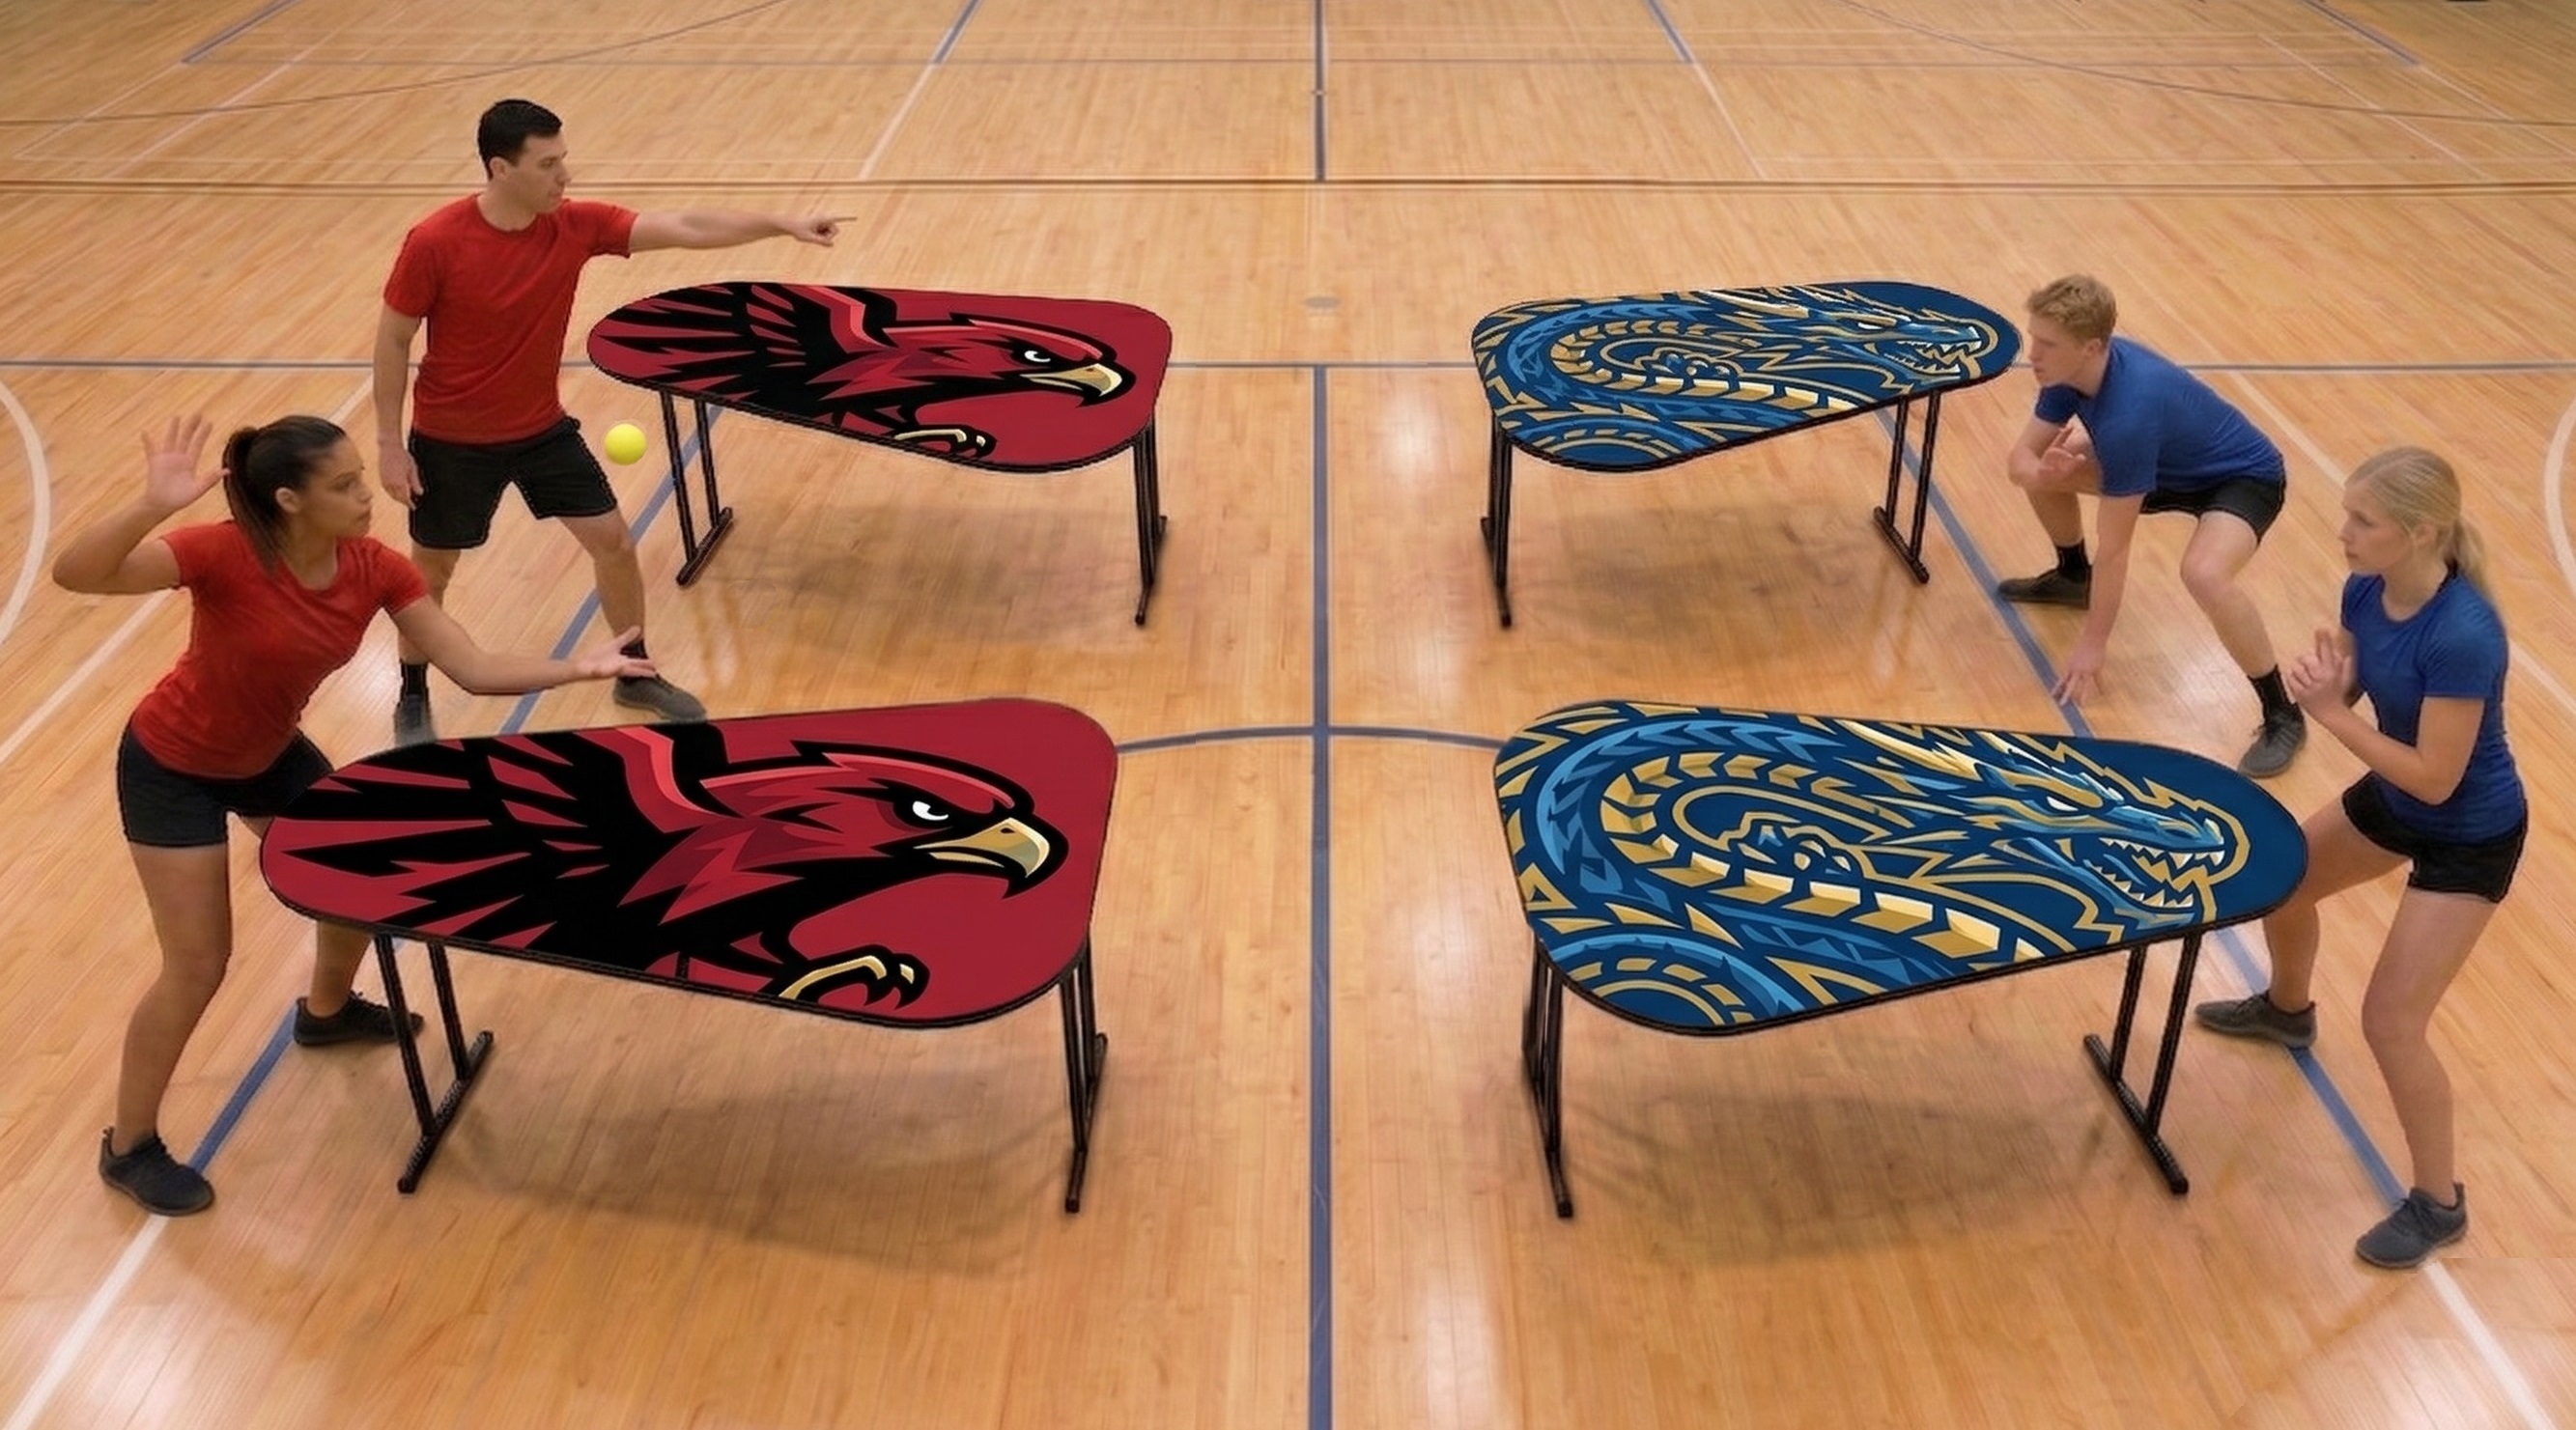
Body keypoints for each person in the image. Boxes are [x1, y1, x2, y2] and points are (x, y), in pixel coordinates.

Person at [53, 413, 653, 1216]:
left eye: (358, 480)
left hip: (269, 755)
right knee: (198, 964)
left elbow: (470, 666)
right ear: (289, 499)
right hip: (173, 766)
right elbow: (77, 574)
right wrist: (148, 505)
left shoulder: (372, 568)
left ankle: (325, 1013)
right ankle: (129, 1147)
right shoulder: (224, 553)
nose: (365, 497)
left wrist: (578, 665)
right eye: (343, 485)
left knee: (356, 880)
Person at [375, 97, 841, 745]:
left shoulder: (574, 224)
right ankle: (412, 690)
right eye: (547, 165)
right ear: (499, 169)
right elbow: (393, 339)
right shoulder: (434, 242)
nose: (565, 177)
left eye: (563, 160)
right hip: (452, 441)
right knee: (432, 573)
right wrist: (390, 445)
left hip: (540, 430)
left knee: (614, 544)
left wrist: (782, 223)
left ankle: (633, 670)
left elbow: (686, 224)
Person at [2193, 447, 2526, 1270]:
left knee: (2390, 1020)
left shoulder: (2465, 635)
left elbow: (2436, 775)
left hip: (2467, 831)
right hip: (2396, 793)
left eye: (2362, 521)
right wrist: (2330, 677)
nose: (2342, 532)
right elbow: (2348, 678)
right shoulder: (2364, 589)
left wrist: (2329, 714)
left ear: (2420, 532)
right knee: (2278, 883)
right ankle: (2287, 1008)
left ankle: (2438, 1203)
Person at [1996, 274, 2307, 777]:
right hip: (2163, 466)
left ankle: (2282, 712)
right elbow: (2018, 464)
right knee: (2055, 468)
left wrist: (2093, 648)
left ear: (2092, 346)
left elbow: (2117, 550)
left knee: (2204, 573)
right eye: (2034, 338)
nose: (2033, 353)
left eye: (2046, 344)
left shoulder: (2128, 416)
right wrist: (2048, 470)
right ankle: (2074, 576)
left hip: (2241, 477)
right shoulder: (2066, 376)